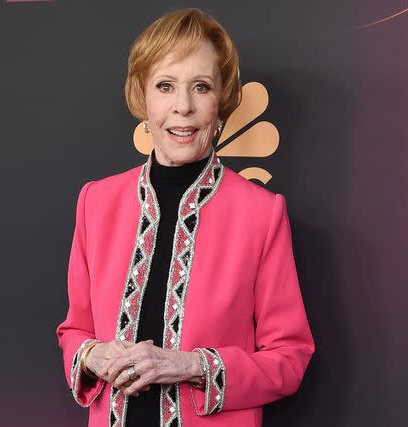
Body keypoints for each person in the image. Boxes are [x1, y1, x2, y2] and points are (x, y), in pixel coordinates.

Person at [56, 8, 314, 427]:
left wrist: (191, 366)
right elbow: (74, 332)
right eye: (165, 86)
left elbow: (289, 357)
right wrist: (93, 355)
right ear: (143, 97)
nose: (183, 107)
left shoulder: (262, 214)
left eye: (201, 87)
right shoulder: (95, 202)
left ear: (222, 101)